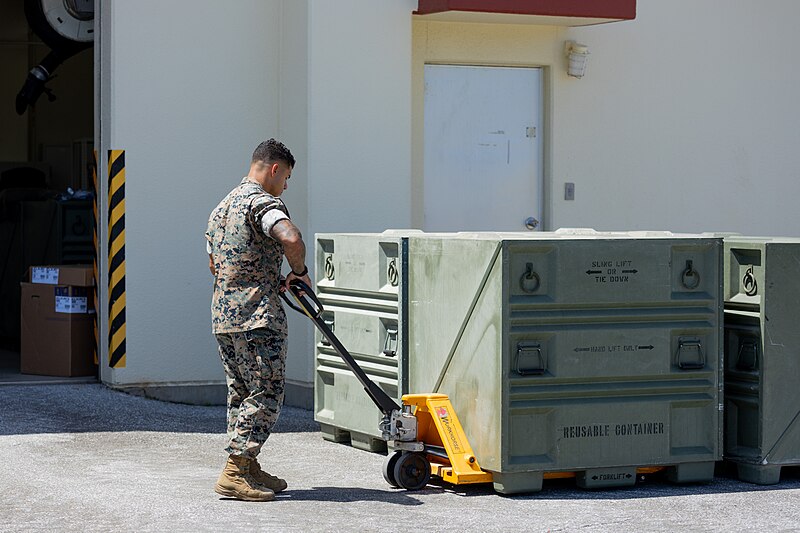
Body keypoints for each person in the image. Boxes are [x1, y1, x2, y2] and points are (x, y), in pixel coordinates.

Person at [205, 139, 312, 502]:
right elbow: (290, 236)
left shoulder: (220, 209)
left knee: (241, 393)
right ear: (274, 169)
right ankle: (235, 470)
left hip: (224, 316)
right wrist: (298, 271)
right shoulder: (261, 202)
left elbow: (214, 265)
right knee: (266, 391)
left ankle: (248, 467)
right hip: (257, 317)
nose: (286, 186)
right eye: (287, 178)